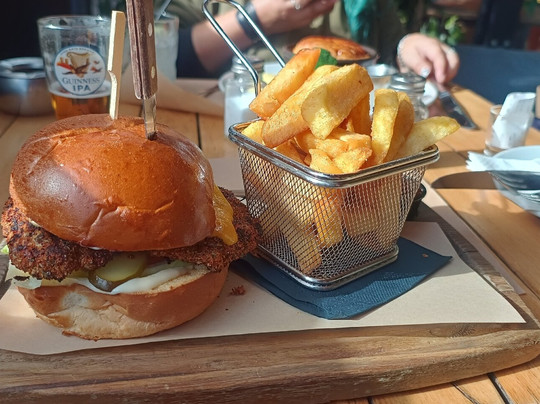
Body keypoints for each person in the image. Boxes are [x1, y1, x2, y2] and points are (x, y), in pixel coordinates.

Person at [168, 0, 459, 84]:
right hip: (222, 139)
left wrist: (406, 47)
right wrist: (255, 19)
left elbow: (385, 53)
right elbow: (170, 57)